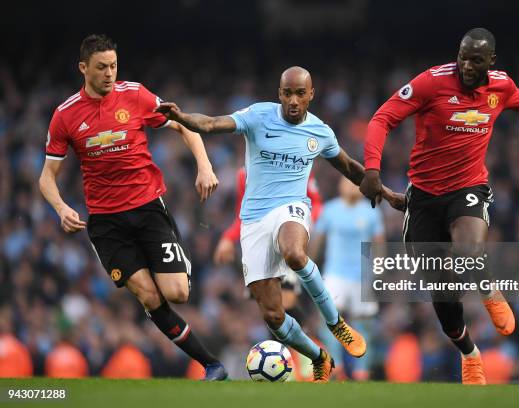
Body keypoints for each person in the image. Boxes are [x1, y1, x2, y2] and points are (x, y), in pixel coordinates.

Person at [156, 66, 405, 382]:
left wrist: (388, 193)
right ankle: (320, 357)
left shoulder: (320, 131)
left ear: (311, 95)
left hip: (292, 208)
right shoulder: (259, 116)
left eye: (300, 93)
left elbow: (352, 169)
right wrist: (181, 117)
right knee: (273, 316)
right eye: (287, 93)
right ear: (279, 93)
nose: (293, 100)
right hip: (254, 220)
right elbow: (211, 123)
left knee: (295, 254)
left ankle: (335, 323)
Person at [359, 28, 519, 384]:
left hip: (467, 188)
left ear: (491, 61)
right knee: (443, 292)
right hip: (424, 197)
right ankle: (470, 355)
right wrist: (371, 169)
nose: (467, 65)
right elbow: (382, 119)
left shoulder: (499, 86)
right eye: (462, 57)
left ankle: (490, 292)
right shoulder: (431, 82)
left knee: (468, 250)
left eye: (476, 60)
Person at [38, 34, 228, 381]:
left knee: (177, 294)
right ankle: (212, 364)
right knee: (148, 295)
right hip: (106, 222)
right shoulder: (65, 115)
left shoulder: (135, 95)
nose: (109, 73)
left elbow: (184, 126)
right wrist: (61, 207)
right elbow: (46, 177)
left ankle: (171, 265)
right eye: (101, 67)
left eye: (113, 65)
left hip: (147, 208)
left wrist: (205, 166)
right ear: (83, 68)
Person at [213, 167, 323, 321]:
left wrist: (300, 225)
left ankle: (304, 341)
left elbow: (316, 204)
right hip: (261, 244)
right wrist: (228, 238)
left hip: (287, 241)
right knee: (268, 308)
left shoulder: (296, 162)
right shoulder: (244, 174)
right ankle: (281, 343)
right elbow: (244, 216)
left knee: (287, 301)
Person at [310, 177, 385, 380]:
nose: (350, 186)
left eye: (354, 183)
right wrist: (308, 268)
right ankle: (337, 367)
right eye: (346, 182)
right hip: (335, 274)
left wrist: (379, 270)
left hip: (363, 276)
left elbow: (379, 243)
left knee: (364, 323)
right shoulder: (330, 210)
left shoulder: (371, 211)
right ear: (339, 186)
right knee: (329, 320)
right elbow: (317, 240)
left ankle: (362, 371)